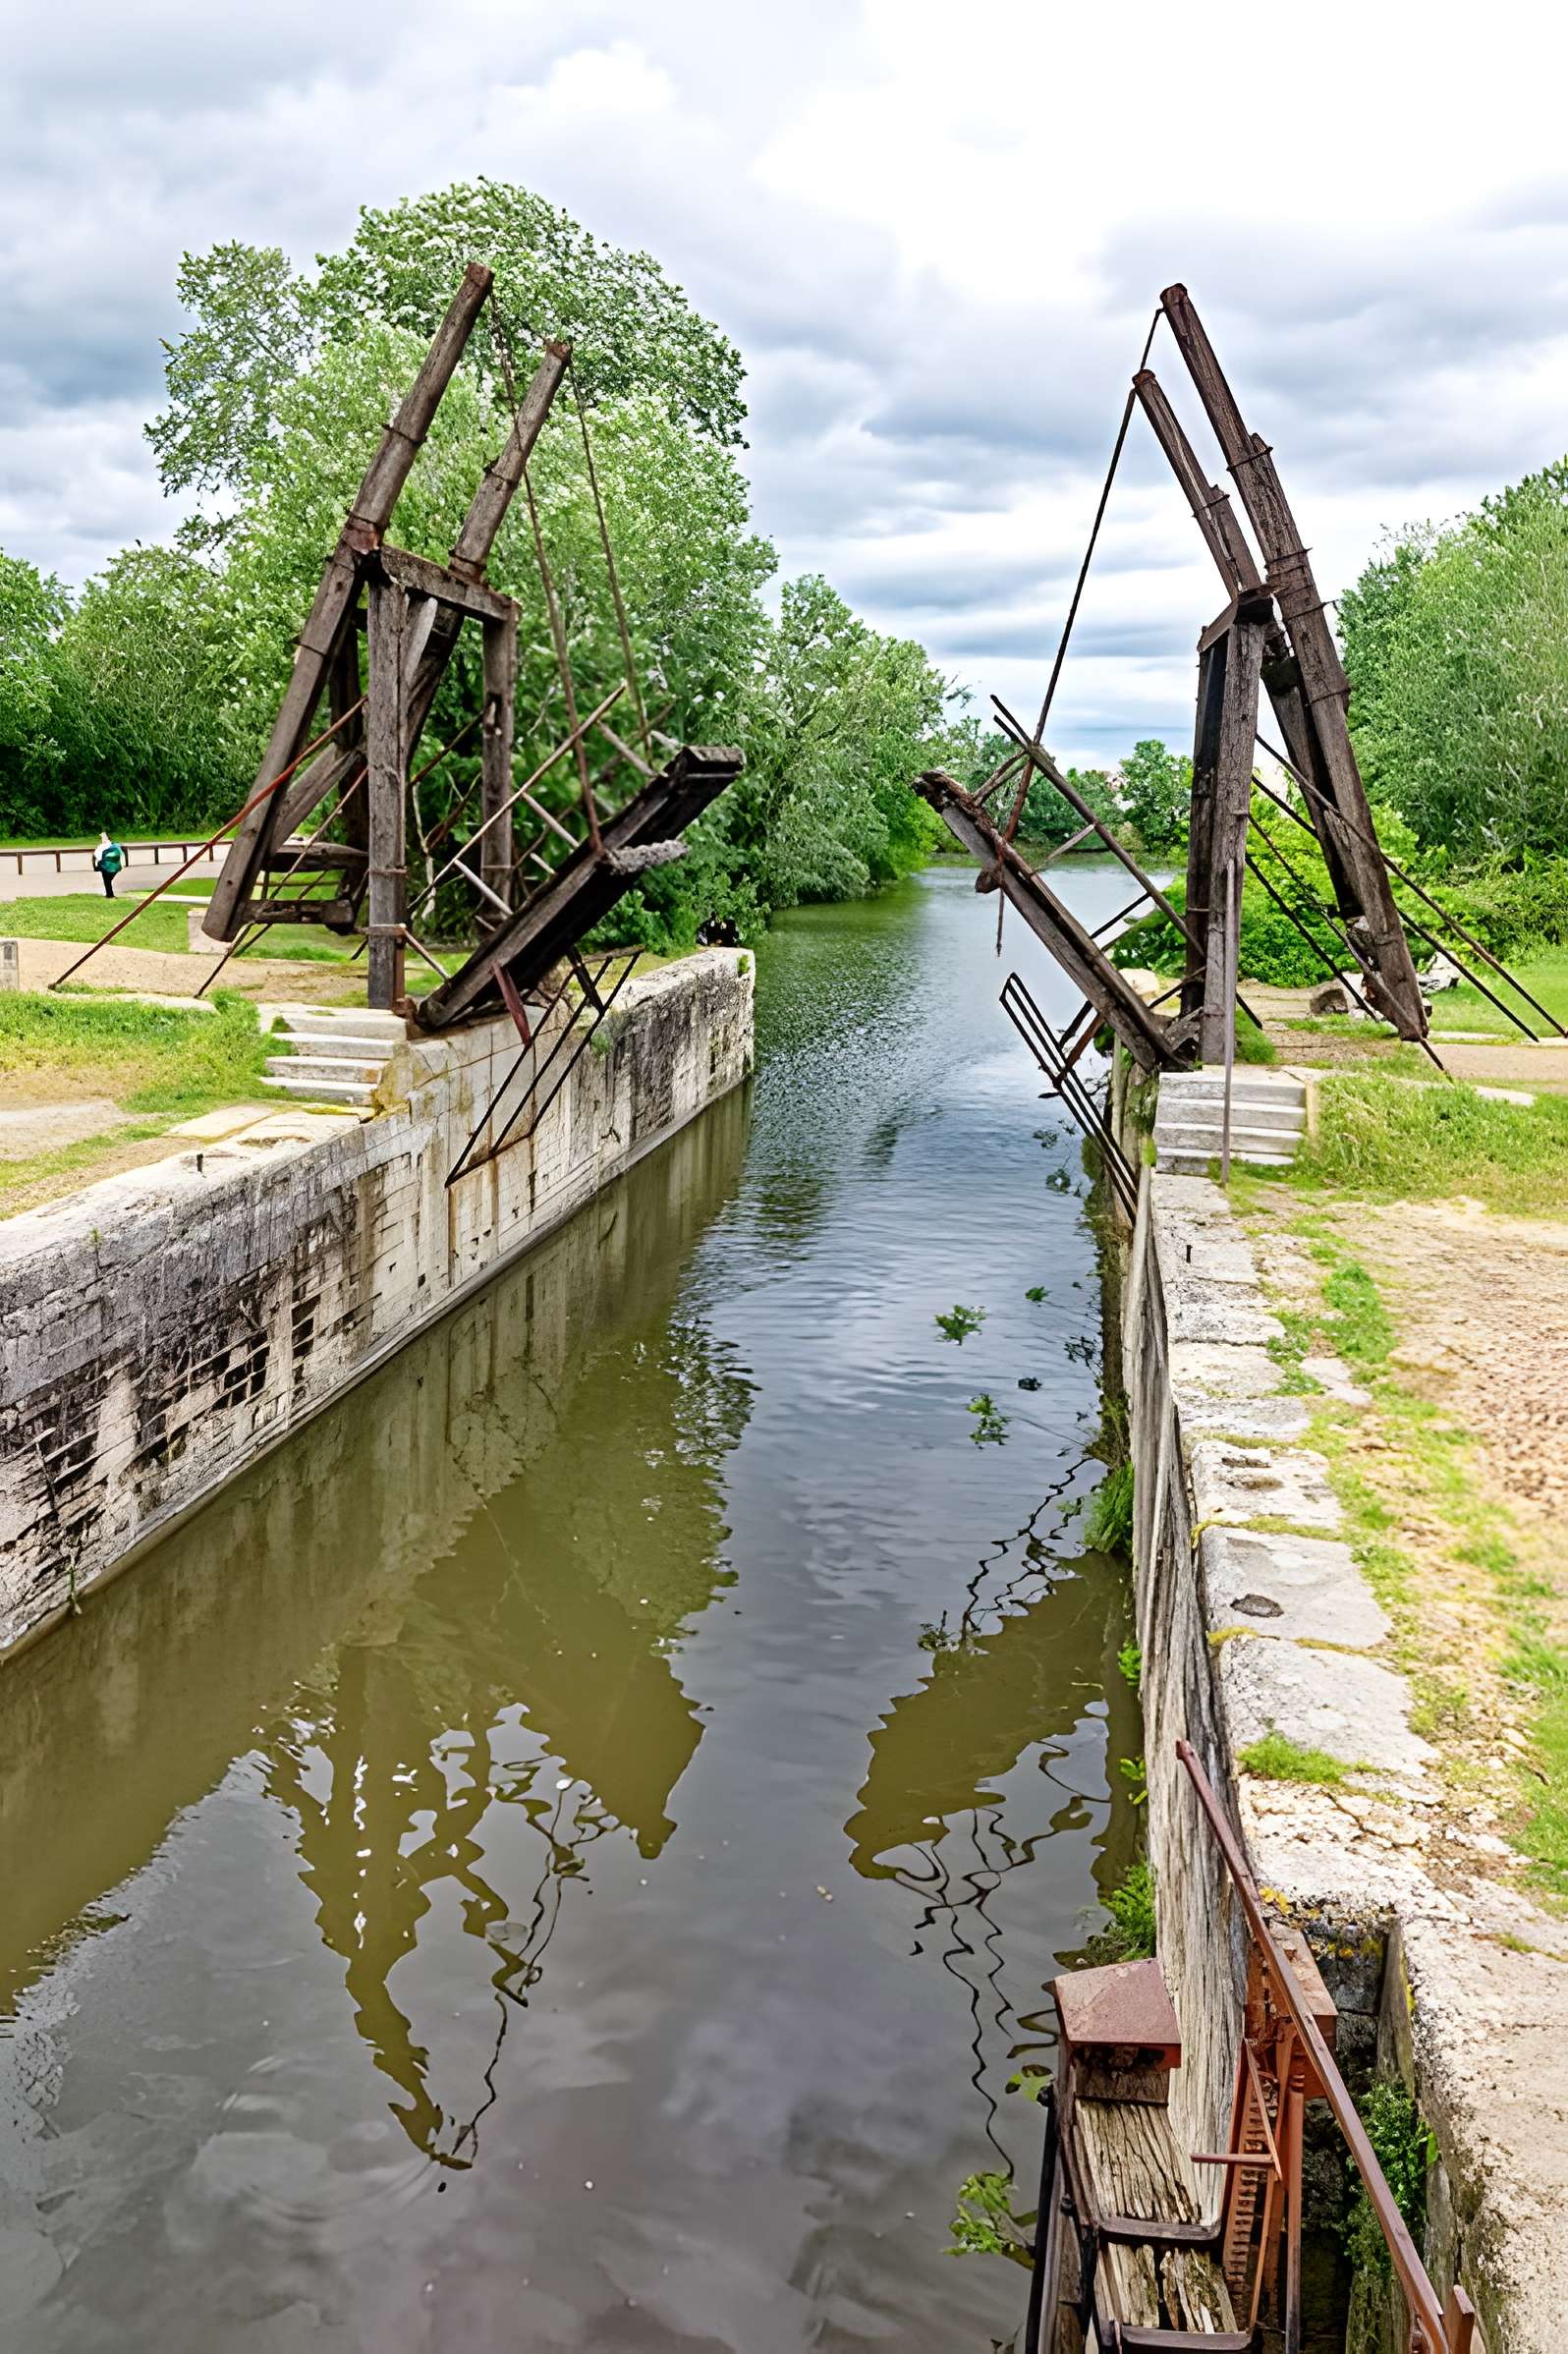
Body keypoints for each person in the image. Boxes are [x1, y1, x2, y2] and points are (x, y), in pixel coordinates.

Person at [92, 832, 126, 898]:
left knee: (107, 880)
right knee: (108, 880)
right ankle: (109, 894)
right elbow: (121, 854)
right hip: (115, 866)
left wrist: (95, 866)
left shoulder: (101, 846)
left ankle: (109, 895)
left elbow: (96, 857)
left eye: (102, 838)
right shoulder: (115, 845)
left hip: (105, 866)